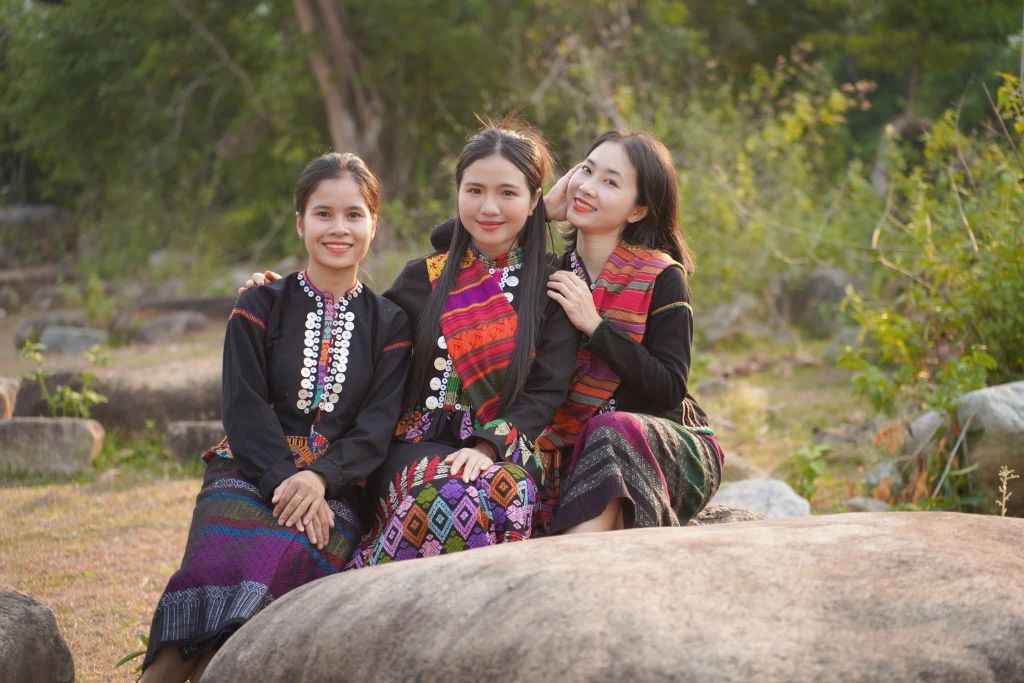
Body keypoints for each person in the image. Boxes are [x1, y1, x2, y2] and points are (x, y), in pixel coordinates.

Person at [141, 152, 411, 682]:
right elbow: (242, 406)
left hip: (335, 492)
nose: (339, 228)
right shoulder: (259, 305)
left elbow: (376, 428)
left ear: (373, 223)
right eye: (323, 214)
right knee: (212, 568)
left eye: (354, 215)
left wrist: (318, 478)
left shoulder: (391, 323)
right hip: (247, 472)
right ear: (300, 222)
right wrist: (284, 478)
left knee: (278, 568)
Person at [348, 123, 577, 566]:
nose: (489, 207)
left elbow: (546, 391)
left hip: (507, 449)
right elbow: (362, 338)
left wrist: (487, 446)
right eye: (474, 190)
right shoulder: (422, 278)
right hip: (416, 446)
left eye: (508, 193)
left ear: (535, 202)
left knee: (498, 492)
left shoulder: (553, 288)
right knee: (449, 498)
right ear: (457, 195)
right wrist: (283, 301)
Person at [537, 130, 723, 533]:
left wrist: (596, 326)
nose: (586, 187)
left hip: (664, 445)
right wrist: (540, 210)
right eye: (586, 171)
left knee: (610, 431)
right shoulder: (551, 274)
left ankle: (576, 565)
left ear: (638, 210)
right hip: (567, 448)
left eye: (610, 181)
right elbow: (451, 243)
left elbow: (669, 388)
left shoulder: (661, 277)